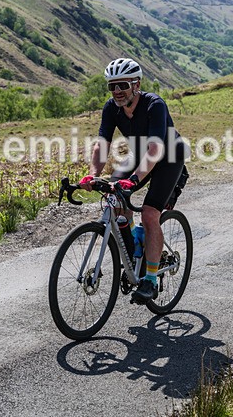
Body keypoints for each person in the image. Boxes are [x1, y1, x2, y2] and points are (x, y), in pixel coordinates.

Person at [79, 58, 189, 304]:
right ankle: (132, 253)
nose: (117, 91)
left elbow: (155, 149)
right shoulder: (111, 108)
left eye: (123, 85)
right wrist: (92, 174)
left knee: (150, 214)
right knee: (113, 199)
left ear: (136, 84)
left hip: (168, 156)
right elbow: (102, 144)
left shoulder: (154, 105)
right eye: (112, 86)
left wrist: (136, 179)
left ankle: (150, 279)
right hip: (139, 155)